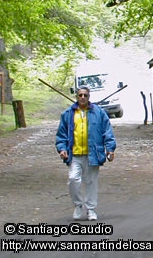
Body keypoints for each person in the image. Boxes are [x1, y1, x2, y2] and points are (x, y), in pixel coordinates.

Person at [55, 86, 116, 220]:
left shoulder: (99, 113)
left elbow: (107, 132)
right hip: (74, 154)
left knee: (91, 182)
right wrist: (62, 149)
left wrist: (110, 149)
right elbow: (61, 134)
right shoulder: (68, 114)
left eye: (85, 95)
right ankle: (78, 206)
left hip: (92, 153)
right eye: (80, 95)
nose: (82, 97)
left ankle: (91, 209)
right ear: (76, 97)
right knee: (73, 179)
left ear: (89, 97)